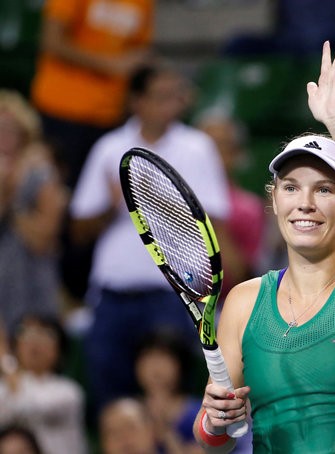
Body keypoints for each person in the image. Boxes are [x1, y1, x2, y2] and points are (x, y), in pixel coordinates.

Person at [192, 33, 335, 453]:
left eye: (325, 190)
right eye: (291, 188)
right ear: (274, 201)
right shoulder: (243, 302)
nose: (306, 204)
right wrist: (216, 421)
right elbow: (213, 440)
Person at [68, 63, 231, 413]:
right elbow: (79, 230)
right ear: (136, 102)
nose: (171, 104)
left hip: (174, 295)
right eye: (161, 96)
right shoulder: (108, 148)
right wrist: (113, 205)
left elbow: (214, 223)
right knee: (110, 399)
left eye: (176, 96)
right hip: (112, 296)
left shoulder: (198, 146)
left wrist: (151, 197)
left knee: (172, 399)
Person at [31, 0, 155, 189]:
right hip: (61, 108)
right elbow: (51, 41)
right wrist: (108, 64)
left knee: (97, 195)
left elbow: (140, 49)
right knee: (55, 191)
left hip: (109, 115)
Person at [0, 90, 67, 333]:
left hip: (31, 278)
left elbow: (44, 239)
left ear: (24, 133)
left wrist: (14, 195)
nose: (3, 136)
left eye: (9, 129)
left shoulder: (41, 173)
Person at [195, 109, 267, 298]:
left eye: (219, 146)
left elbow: (242, 279)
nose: (208, 155)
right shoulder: (167, 200)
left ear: (236, 154)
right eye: (202, 147)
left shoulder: (249, 209)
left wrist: (215, 224)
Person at [0, 314, 87, 454]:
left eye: (45, 334)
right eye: (26, 334)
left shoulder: (68, 391)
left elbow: (26, 408)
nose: (34, 342)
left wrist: (5, 360)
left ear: (59, 348)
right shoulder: (4, 387)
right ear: (15, 346)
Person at [134, 329, 207, 454]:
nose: (155, 367)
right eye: (148, 358)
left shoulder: (201, 413)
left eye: (164, 358)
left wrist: (165, 431)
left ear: (181, 365)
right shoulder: (128, 412)